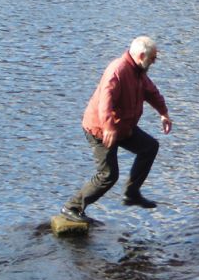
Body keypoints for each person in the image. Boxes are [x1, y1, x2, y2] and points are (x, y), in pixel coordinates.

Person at [61, 36, 172, 222]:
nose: (154, 61)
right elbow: (105, 102)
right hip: (100, 129)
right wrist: (109, 127)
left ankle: (132, 193)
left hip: (123, 127)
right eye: (153, 58)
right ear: (142, 55)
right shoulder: (117, 71)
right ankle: (72, 207)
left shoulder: (138, 72)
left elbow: (151, 92)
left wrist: (163, 113)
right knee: (108, 175)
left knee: (149, 147)